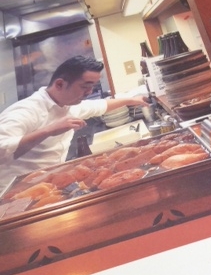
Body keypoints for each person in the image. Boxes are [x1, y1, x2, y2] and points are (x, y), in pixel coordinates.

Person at [0, 55, 150, 192]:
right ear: (60, 84)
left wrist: (131, 100)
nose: (89, 92)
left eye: (92, 86)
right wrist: (49, 130)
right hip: (13, 192)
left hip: (49, 183)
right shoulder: (25, 110)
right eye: (85, 87)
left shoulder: (69, 104)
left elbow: (100, 105)